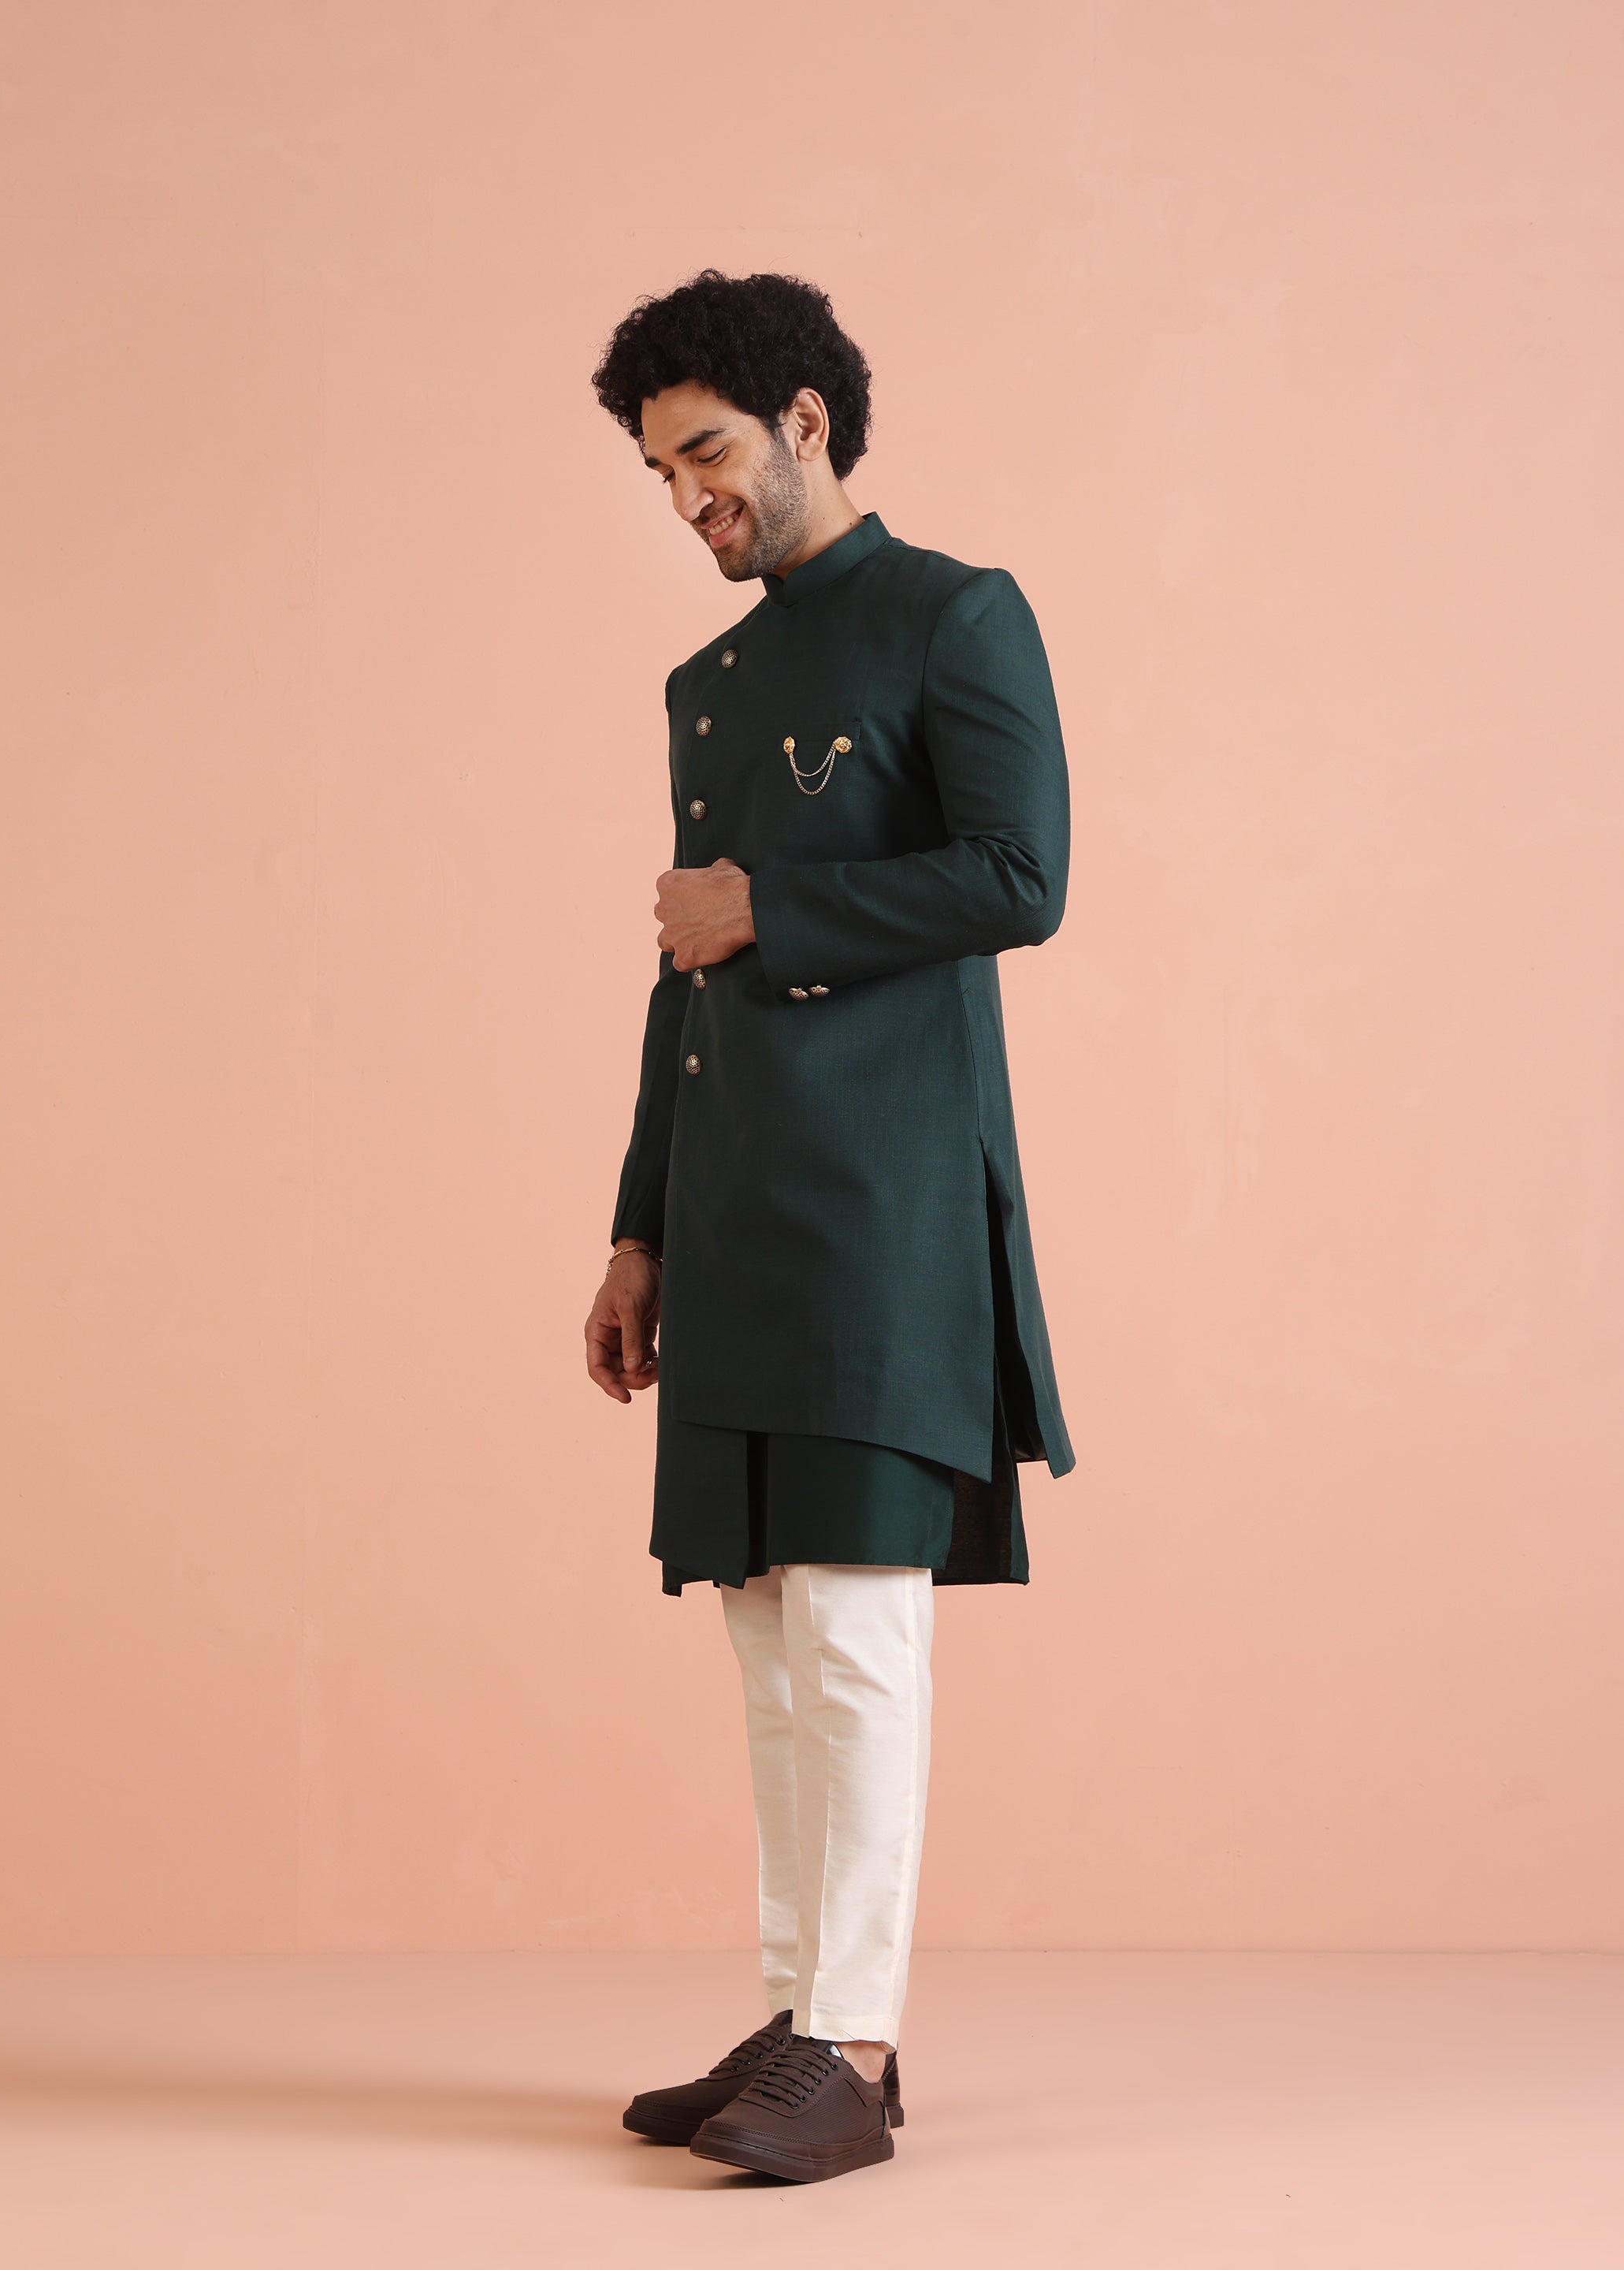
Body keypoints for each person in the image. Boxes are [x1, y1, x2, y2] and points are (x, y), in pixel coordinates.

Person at [583, 270, 1073, 2184]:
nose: (685, 498)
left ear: (805, 421)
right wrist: (638, 1233)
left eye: (705, 453)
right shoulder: (708, 685)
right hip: (732, 1209)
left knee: (859, 1628)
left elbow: (1021, 876)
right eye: (658, 471)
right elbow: (683, 978)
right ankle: (800, 2010)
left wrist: (770, 912)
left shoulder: (958, 614)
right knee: (770, 1636)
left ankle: (855, 2047)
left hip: (883, 1209)